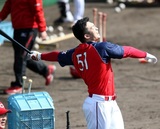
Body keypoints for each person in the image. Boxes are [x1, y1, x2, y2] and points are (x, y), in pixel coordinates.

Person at [28, 17, 157, 129]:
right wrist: (145, 54)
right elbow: (126, 50)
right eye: (92, 27)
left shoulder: (74, 53)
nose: (96, 27)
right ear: (86, 36)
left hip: (110, 103)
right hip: (98, 105)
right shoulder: (101, 48)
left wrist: (40, 56)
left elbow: (58, 55)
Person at [0, 0, 56, 94]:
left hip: (29, 29)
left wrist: (42, 29)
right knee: (25, 56)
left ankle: (19, 85)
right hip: (17, 28)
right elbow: (8, 5)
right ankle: (46, 71)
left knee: (21, 57)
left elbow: (38, 10)